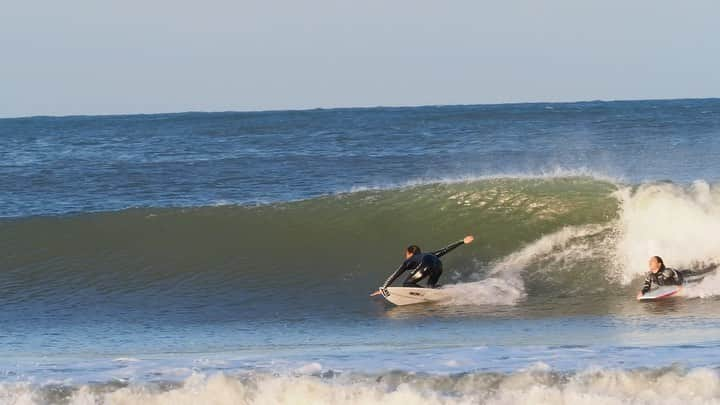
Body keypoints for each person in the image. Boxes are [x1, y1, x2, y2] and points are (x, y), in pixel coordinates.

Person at [370, 235, 474, 296]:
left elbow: (395, 275)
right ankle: (447, 291)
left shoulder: (409, 260)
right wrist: (462, 241)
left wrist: (383, 288)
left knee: (407, 284)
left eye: (406, 254)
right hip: (438, 265)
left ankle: (426, 294)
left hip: (427, 263)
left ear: (410, 253)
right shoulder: (430, 254)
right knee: (431, 286)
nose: (406, 256)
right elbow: (445, 249)